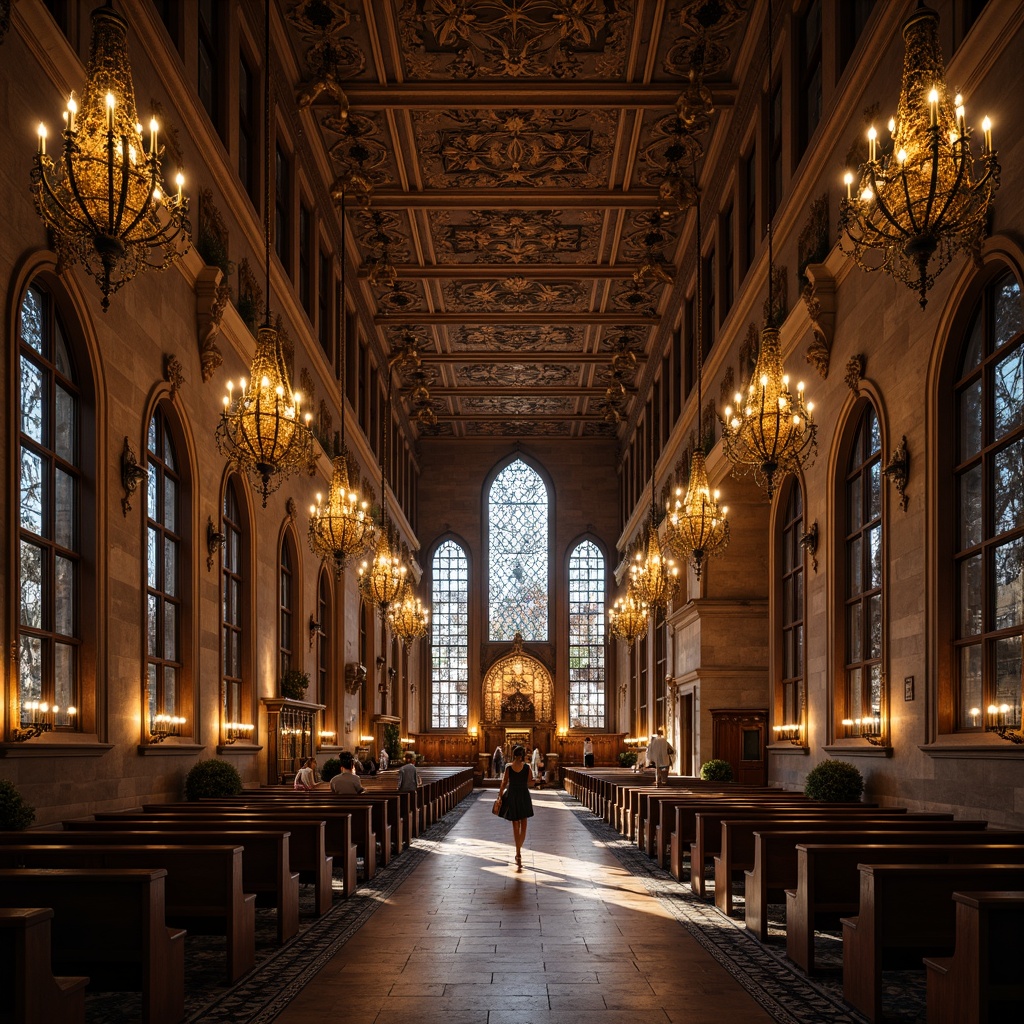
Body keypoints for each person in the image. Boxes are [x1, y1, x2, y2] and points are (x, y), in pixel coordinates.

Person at [497, 744, 535, 869]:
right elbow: (530, 782)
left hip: (512, 794)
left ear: (514, 755)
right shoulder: (527, 767)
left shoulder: (508, 767)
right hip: (523, 794)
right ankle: (519, 850)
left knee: (515, 824)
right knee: (523, 824)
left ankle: (517, 853)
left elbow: (504, 782)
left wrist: (499, 796)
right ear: (523, 755)